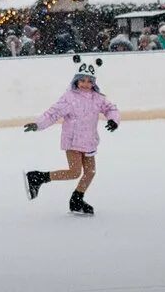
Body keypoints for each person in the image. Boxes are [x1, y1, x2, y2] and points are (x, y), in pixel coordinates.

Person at [23, 55, 120, 215]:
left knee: (90, 172)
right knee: (75, 172)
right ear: (76, 80)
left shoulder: (98, 98)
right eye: (82, 80)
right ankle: (38, 177)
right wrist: (38, 124)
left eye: (89, 81)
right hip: (72, 140)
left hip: (89, 141)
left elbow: (111, 108)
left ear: (94, 82)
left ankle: (77, 200)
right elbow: (52, 113)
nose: (85, 84)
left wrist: (113, 120)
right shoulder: (69, 98)